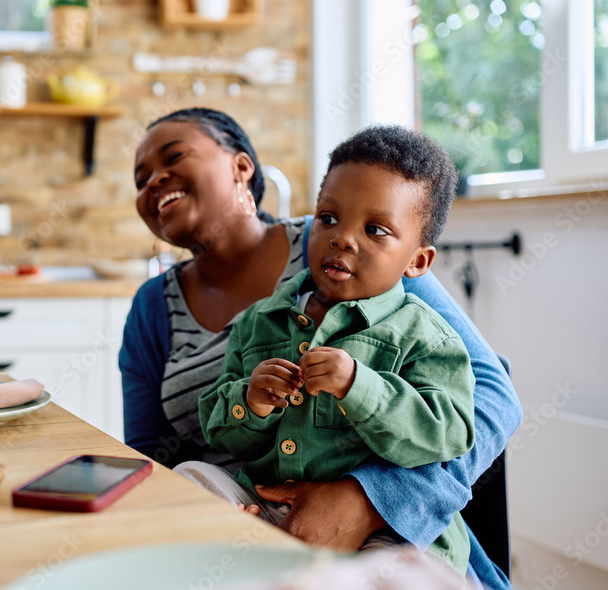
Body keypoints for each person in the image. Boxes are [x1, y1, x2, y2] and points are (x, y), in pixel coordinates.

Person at [121, 108, 522, 589]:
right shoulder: (172, 310)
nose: (154, 181)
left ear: (241, 168)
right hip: (248, 514)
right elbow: (150, 461)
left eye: (174, 156)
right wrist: (247, 414)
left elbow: (487, 401)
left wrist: (368, 501)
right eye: (141, 178)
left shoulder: (360, 263)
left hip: (385, 528)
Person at [184, 125, 474, 574]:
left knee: (407, 575)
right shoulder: (258, 322)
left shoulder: (427, 337)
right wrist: (251, 402)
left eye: (375, 229)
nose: (343, 238)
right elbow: (221, 435)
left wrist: (363, 388)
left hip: (382, 528)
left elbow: (446, 435)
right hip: (268, 508)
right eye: (328, 218)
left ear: (418, 261)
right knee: (189, 481)